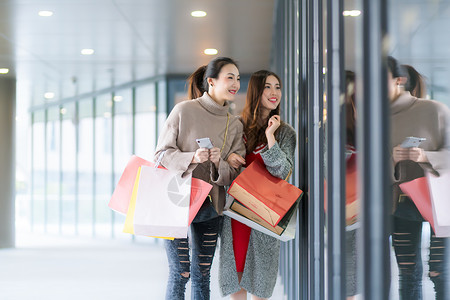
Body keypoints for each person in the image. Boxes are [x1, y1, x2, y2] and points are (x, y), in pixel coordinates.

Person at [154, 56, 246, 300]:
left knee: (202, 275)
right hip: (176, 202)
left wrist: (219, 163)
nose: (236, 83)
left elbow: (235, 174)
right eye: (230, 77)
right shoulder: (184, 111)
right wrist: (192, 158)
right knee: (180, 272)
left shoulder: (234, 124)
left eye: (238, 78)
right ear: (211, 81)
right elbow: (161, 154)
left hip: (211, 206)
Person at [219, 70, 296, 299]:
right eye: (268, 87)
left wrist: (271, 137)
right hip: (237, 214)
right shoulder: (236, 126)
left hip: (266, 215)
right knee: (237, 281)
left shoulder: (285, 132)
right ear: (256, 91)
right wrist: (228, 159)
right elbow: (222, 166)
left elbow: (282, 173)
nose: (274, 93)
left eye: (278, 87)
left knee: (261, 286)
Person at [388, 56, 450, 300]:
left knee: (439, 271)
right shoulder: (378, 119)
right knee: (409, 271)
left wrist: (424, 155)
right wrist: (393, 159)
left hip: (440, 201)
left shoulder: (435, 111)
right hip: (402, 202)